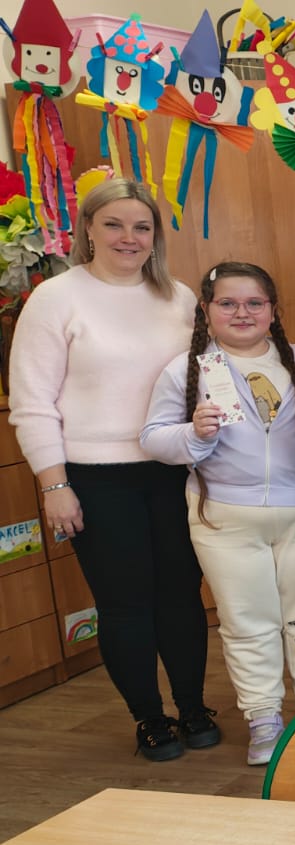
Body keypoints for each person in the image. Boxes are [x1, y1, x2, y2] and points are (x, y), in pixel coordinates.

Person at [7, 178, 215, 761]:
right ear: (89, 231)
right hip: (96, 477)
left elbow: (206, 381)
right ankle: (150, 718)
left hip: (172, 470)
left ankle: (193, 707)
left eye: (141, 227)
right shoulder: (55, 299)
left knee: (182, 595)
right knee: (126, 603)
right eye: (114, 224)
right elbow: (32, 403)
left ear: (155, 236)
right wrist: (54, 484)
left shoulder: (178, 298)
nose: (129, 237)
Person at [140, 262, 295, 765]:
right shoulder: (187, 370)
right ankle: (263, 717)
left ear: (273, 310)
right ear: (207, 310)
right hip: (224, 519)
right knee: (247, 622)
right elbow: (153, 438)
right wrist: (194, 433)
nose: (242, 312)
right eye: (228, 303)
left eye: (254, 303)